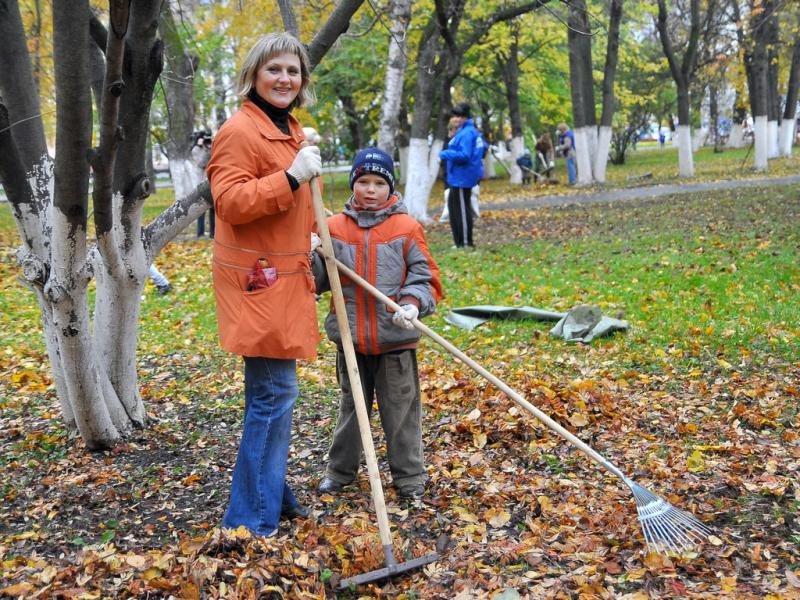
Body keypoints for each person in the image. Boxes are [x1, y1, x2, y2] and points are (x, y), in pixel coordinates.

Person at [205, 32, 322, 538]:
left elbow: (294, 209)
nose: (285, 79)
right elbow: (229, 203)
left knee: (271, 394)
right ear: (254, 74)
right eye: (275, 69)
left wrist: (318, 235)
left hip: (284, 275)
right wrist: (292, 177)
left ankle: (271, 494)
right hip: (259, 280)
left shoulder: (287, 128)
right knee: (275, 395)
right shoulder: (239, 130)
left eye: (293, 72)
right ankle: (250, 519)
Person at [313, 147, 443, 500]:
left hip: (395, 341)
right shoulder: (333, 229)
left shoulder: (406, 228)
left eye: (379, 183)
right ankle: (339, 472)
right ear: (354, 184)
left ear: (391, 187)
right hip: (352, 341)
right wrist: (311, 253)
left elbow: (425, 276)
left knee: (401, 413)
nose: (370, 189)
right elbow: (318, 281)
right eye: (363, 182)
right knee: (351, 410)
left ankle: (410, 478)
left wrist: (412, 304)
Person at [439, 103, 484, 248]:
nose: (456, 119)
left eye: (459, 116)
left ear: (465, 117)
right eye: (455, 116)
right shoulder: (465, 131)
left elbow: (465, 155)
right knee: (454, 209)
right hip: (458, 176)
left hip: (462, 177)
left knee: (462, 211)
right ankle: (459, 242)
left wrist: (445, 153)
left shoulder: (467, 133)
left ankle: (466, 243)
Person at [193, 130, 215, 238]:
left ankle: (213, 233)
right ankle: (200, 233)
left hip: (212, 182)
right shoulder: (196, 150)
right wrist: (204, 149)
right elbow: (201, 163)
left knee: (213, 210)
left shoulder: (212, 147)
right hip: (201, 182)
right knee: (201, 211)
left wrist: (212, 146)